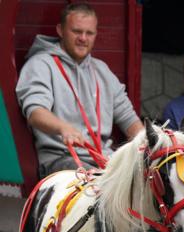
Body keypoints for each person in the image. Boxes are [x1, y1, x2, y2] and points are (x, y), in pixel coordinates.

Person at [16, 3, 143, 178]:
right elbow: (35, 112)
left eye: (89, 33)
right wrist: (63, 128)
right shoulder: (40, 64)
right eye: (76, 31)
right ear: (60, 30)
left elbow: (129, 119)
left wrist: (149, 142)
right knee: (96, 185)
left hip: (104, 160)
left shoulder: (102, 70)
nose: (83, 38)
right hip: (61, 160)